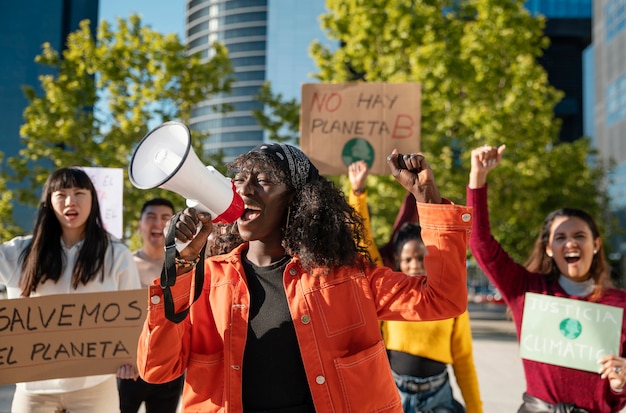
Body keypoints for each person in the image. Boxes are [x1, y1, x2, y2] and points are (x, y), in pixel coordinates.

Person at [136, 144, 473, 413]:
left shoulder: (349, 277)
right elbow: (156, 369)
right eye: (240, 179)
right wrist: (180, 265)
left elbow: (442, 299)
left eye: (264, 180)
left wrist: (427, 201)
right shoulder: (204, 279)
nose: (245, 189)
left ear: (297, 199)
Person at [467, 144, 626, 412]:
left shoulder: (619, 305)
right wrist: (478, 179)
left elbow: (617, 393)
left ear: (597, 244)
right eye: (560, 237)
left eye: (579, 236)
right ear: (549, 249)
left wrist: (620, 383)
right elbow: (480, 243)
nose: (570, 244)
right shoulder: (527, 291)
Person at [0, 167, 141, 413]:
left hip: (95, 386)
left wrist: (131, 357)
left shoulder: (116, 254)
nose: (70, 201)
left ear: (92, 199)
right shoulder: (20, 252)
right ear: (48, 201)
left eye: (79, 193)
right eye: (61, 194)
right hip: (33, 387)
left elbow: (133, 321)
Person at [348, 160, 483, 413]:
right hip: (393, 391)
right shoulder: (391, 295)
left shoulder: (451, 301)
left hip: (438, 396)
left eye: (422, 257)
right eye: (408, 259)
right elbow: (363, 243)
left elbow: (464, 361)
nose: (415, 265)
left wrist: (476, 410)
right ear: (398, 263)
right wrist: (357, 193)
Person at [117, 198, 184, 413]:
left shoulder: (182, 269)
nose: (158, 223)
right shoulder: (122, 267)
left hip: (169, 369)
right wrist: (121, 359)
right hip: (128, 370)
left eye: (165, 218)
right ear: (139, 224)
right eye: (151, 217)